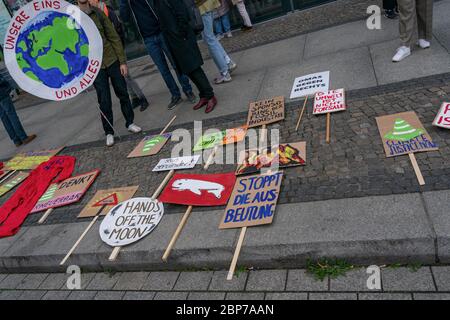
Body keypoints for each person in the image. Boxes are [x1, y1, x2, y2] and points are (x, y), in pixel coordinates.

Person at [78, 0, 142, 147]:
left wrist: (122, 61)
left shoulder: (98, 13)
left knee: (123, 93)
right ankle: (109, 132)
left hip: (111, 59)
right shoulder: (73, 19)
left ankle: (130, 122)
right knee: (104, 100)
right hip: (95, 67)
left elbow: (113, 37)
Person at [120, 0, 197, 110]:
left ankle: (188, 90)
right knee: (163, 70)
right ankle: (175, 95)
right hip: (148, 39)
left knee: (176, 64)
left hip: (162, 32)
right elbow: (125, 17)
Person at [154, 0, 218, 113]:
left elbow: (182, 13)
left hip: (182, 38)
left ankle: (210, 96)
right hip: (173, 41)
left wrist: (181, 34)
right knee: (188, 70)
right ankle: (203, 95)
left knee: (194, 68)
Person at [89, 0, 149, 112]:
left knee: (127, 76)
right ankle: (134, 98)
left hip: (116, 48)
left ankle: (142, 98)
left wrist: (119, 49)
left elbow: (117, 29)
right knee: (123, 78)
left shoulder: (106, 10)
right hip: (110, 52)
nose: (89, 1)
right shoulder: (94, 13)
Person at [198, 0, 237, 84]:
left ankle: (225, 73)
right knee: (210, 38)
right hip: (207, 6)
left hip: (202, 8)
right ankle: (228, 63)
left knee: (209, 40)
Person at [0, 73, 36, 147]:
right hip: (1, 93)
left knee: (4, 117)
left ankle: (16, 140)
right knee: (11, 115)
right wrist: (8, 87)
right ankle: (23, 137)